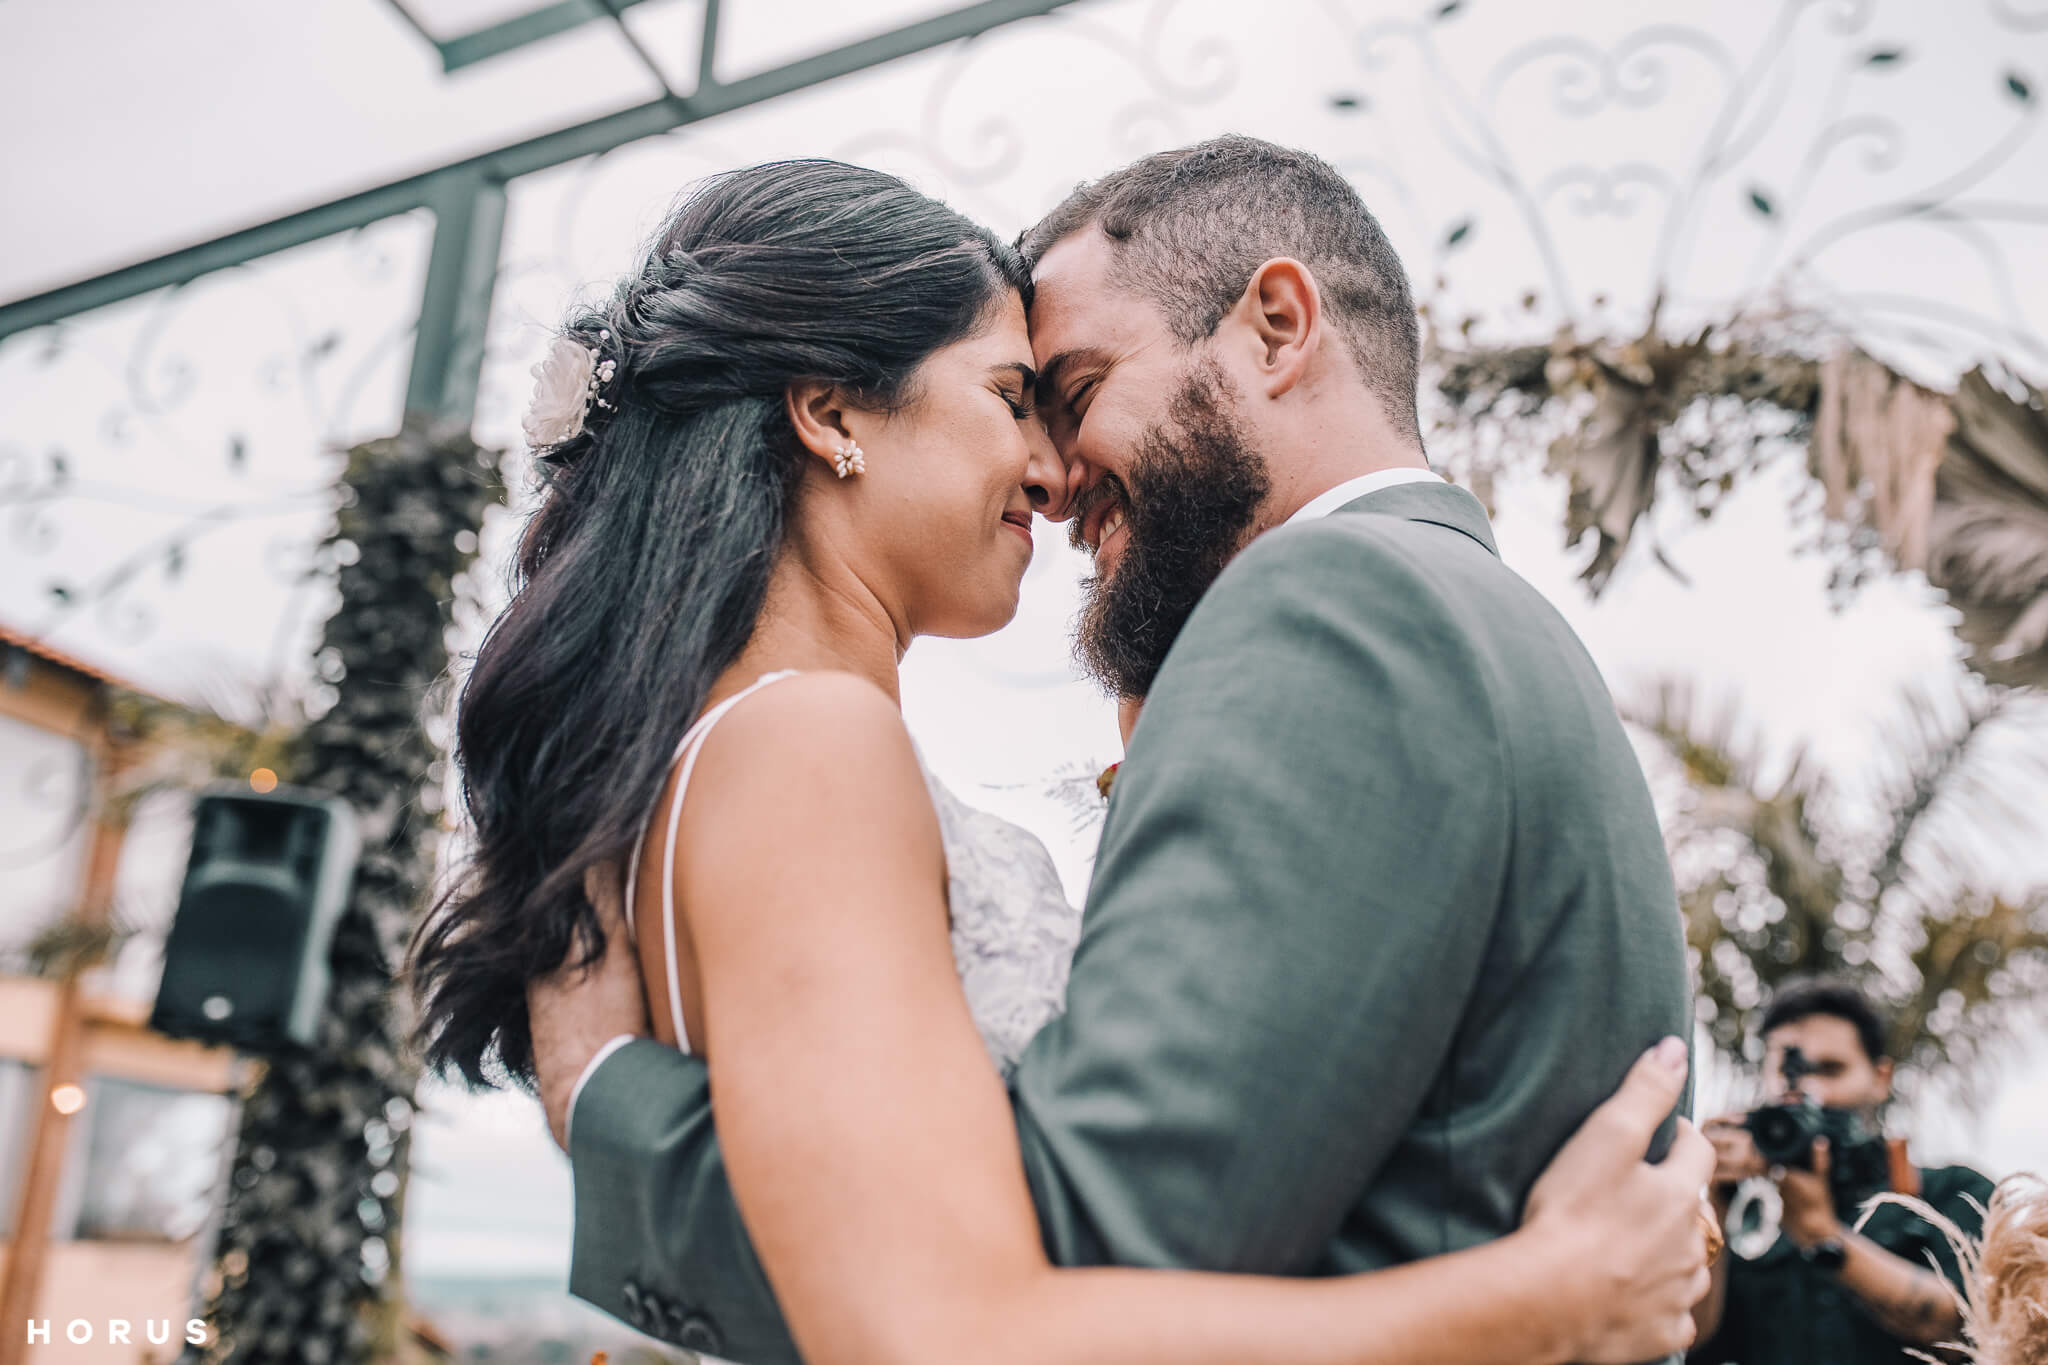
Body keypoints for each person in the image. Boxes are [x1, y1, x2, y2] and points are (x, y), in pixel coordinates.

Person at [413, 149, 1709, 1365]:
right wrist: (1543, 1301)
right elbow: (964, 1312)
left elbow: (944, 1281)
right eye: (1013, 396)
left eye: (1070, 393)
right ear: (829, 415)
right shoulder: (811, 738)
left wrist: (613, 1109)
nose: (1050, 466)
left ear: (1278, 325)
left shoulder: (1339, 613)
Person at [1692, 979, 1998, 1363]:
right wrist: (1714, 1205)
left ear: (1880, 1078)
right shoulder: (1749, 1216)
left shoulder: (1953, 1194)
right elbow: (1690, 1340)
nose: (1810, 1092)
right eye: (1790, 1074)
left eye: (1831, 1069)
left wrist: (1822, 1235)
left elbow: (1970, 1329)